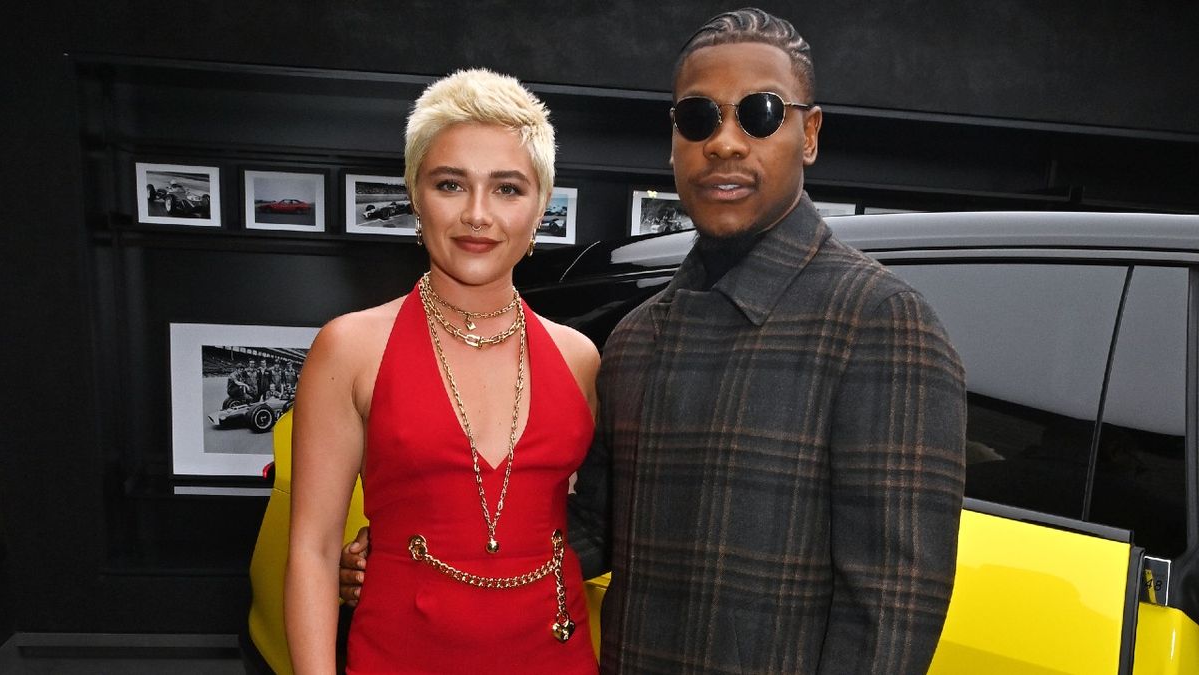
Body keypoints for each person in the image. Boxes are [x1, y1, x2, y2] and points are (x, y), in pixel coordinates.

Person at [343, 8, 966, 673]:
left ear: (808, 133)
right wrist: (429, 552)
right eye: (698, 118)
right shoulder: (637, 340)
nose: (725, 142)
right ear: (673, 140)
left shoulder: (882, 323)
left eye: (758, 112)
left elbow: (890, 615)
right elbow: (591, 529)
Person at [286, 68, 601, 674]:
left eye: (508, 188)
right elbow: (314, 550)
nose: (477, 215)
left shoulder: (579, 358)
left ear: (541, 206)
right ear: (414, 193)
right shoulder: (351, 347)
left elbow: (597, 521)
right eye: (451, 184)